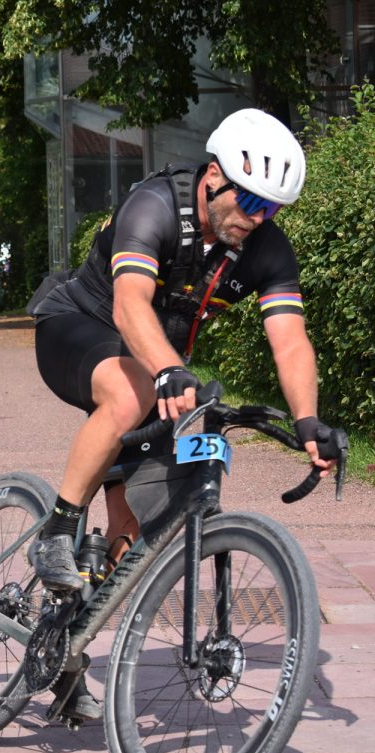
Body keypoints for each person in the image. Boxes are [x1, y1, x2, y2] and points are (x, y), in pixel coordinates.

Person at [28, 107, 343, 720]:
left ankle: (66, 641)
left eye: (272, 208)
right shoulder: (154, 206)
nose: (258, 217)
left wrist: (308, 421)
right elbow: (129, 305)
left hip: (155, 365)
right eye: (251, 200)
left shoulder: (265, 248)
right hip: (78, 330)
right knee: (133, 394)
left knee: (139, 521)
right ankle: (56, 533)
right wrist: (169, 370)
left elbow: (290, 340)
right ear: (214, 176)